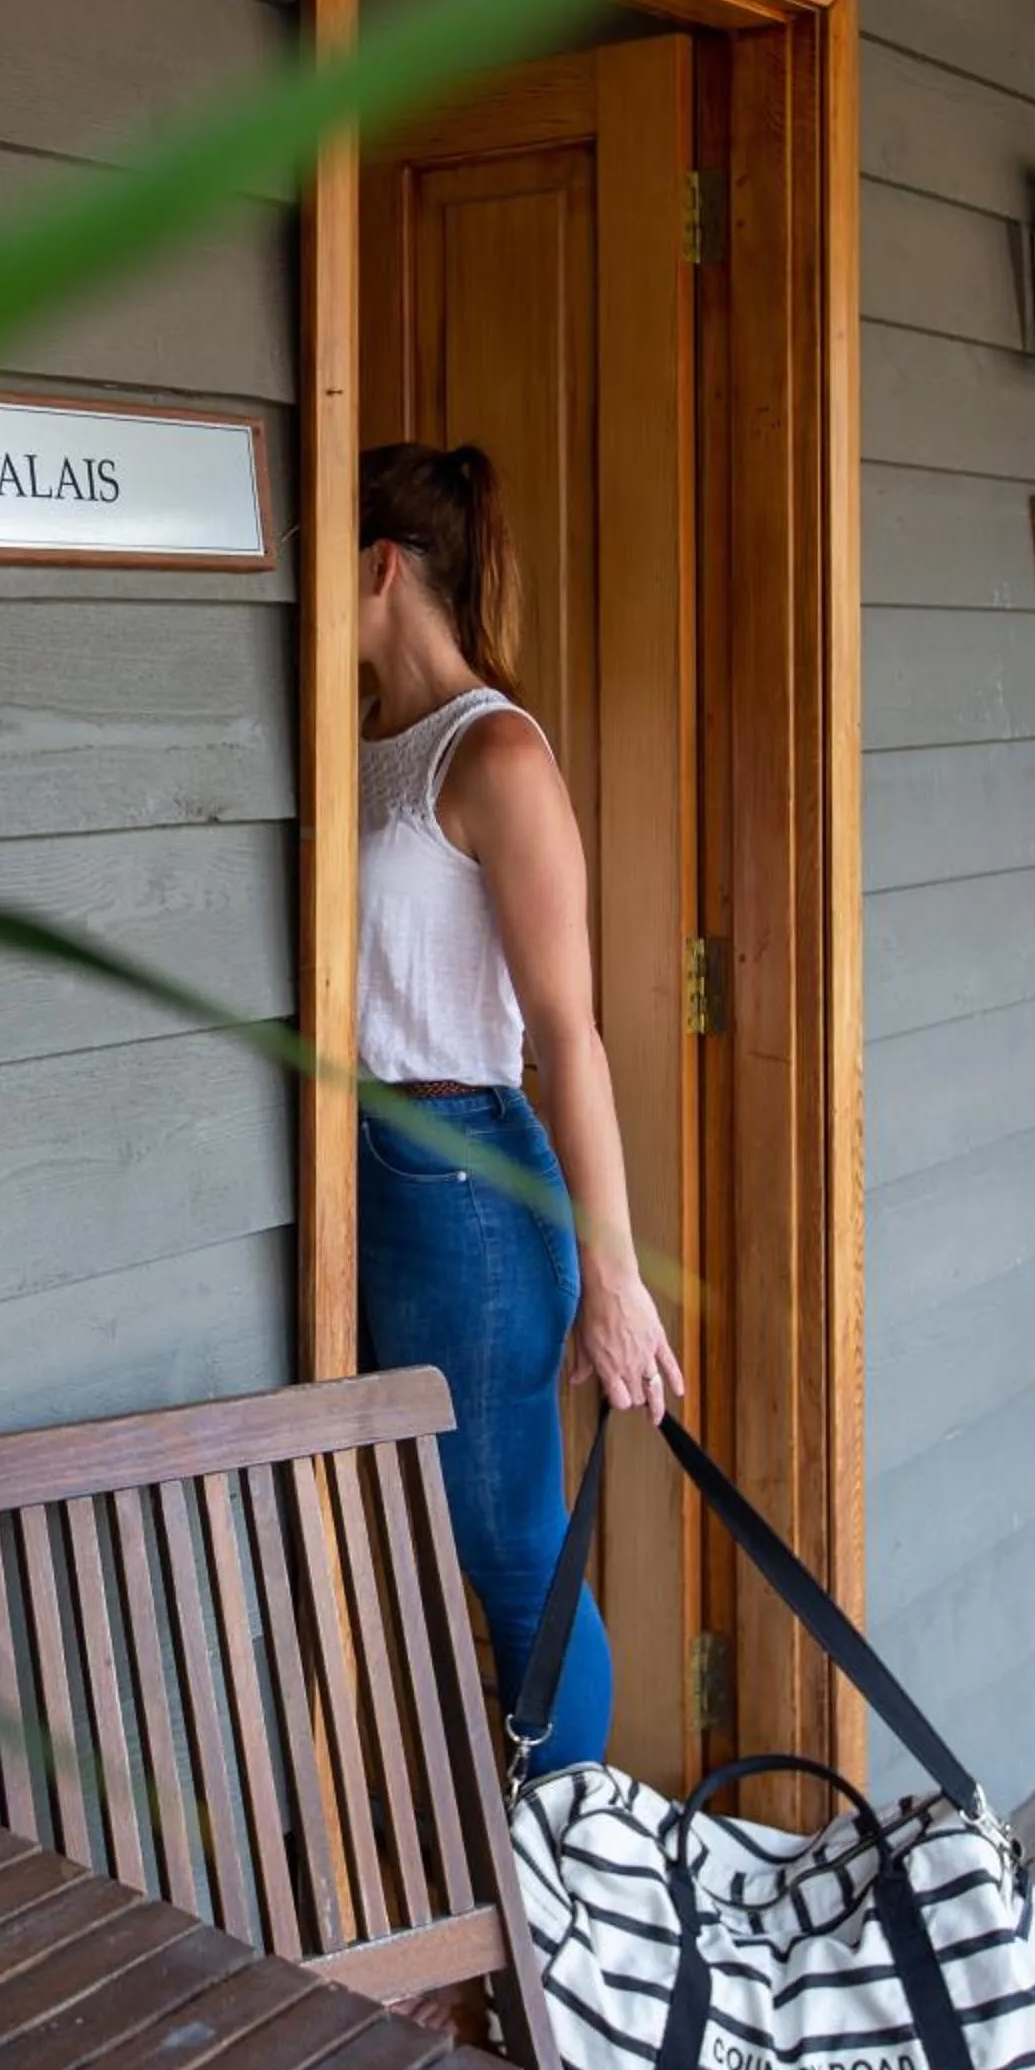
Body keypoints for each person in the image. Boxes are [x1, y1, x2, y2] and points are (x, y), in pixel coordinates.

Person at [356, 439, 682, 1779]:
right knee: (423, 1539)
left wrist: (615, 1281)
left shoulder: (493, 753)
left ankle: (569, 1879)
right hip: (373, 1169)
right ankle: (490, 1874)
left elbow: (569, 1032)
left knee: (508, 1546)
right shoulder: (367, 738)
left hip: (465, 1183)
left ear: (379, 566)